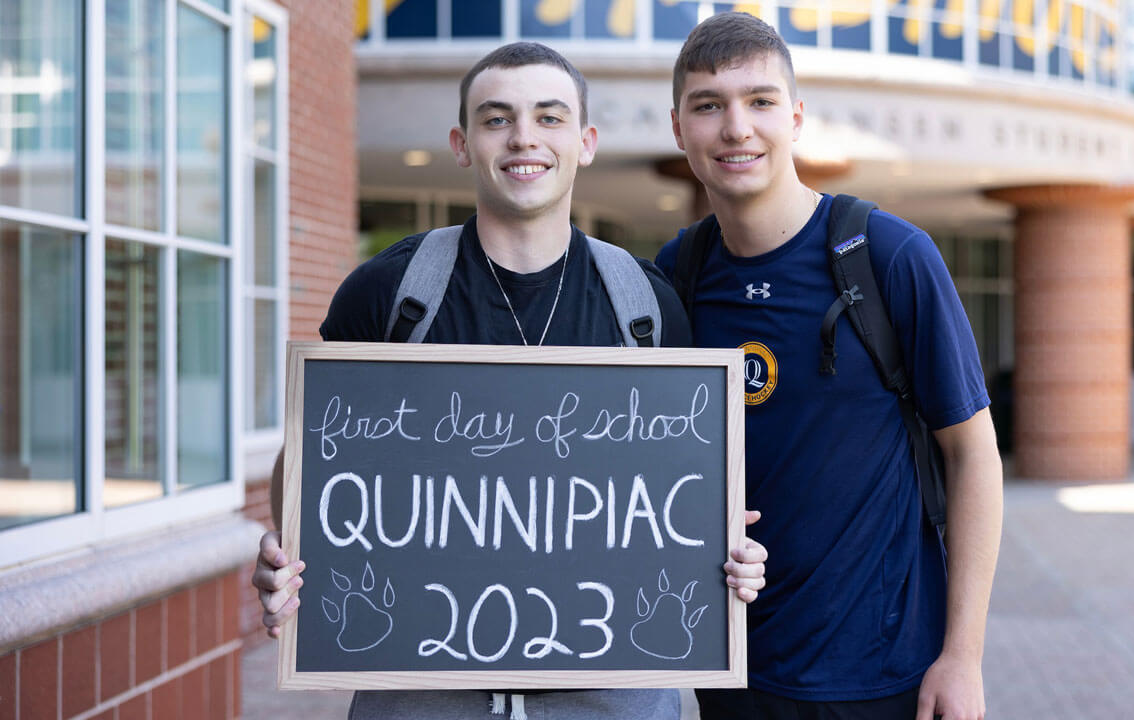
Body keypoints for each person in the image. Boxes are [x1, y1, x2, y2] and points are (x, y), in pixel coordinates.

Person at [252, 42, 768, 720]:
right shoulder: (391, 293)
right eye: (497, 119)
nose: (524, 136)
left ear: (585, 142)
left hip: (612, 690)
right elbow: (313, 459)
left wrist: (728, 556)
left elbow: (679, 488)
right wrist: (291, 552)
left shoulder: (643, 304)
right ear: (462, 143)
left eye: (549, 117)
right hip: (420, 688)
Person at [654, 13, 1003, 720]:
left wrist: (962, 657)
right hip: (733, 673)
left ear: (796, 117)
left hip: (883, 674)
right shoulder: (676, 276)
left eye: (760, 101)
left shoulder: (888, 257)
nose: (736, 128)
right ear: (678, 128)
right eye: (708, 106)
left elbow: (973, 456)